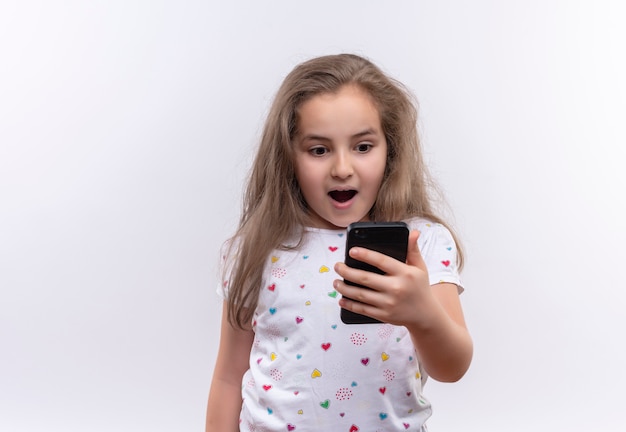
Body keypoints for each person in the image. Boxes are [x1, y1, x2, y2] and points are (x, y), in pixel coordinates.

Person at [206, 53, 473, 432]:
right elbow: (228, 379)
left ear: (390, 151)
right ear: (288, 158)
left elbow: (453, 368)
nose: (342, 168)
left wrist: (422, 315)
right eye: (319, 150)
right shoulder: (256, 248)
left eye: (363, 147)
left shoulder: (423, 242)